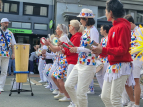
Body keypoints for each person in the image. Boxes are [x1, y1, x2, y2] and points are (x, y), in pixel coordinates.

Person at [92, 0, 133, 107]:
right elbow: (111, 49)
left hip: (121, 65)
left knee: (115, 99)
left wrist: (103, 50)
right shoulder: (114, 27)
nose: (105, 13)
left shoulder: (122, 26)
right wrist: (99, 50)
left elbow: (123, 49)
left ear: (111, 12)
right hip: (113, 65)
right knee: (105, 96)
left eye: (105, 11)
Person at [64, 8, 99, 107]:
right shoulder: (86, 30)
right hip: (80, 63)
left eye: (81, 19)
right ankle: (77, 104)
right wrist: (76, 49)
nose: (80, 21)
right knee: (68, 85)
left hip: (88, 64)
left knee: (81, 92)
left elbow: (94, 48)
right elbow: (84, 46)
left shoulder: (93, 31)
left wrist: (77, 49)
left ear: (86, 19)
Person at [58, 19, 83, 106]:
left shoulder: (77, 37)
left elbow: (72, 50)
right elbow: (69, 48)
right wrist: (64, 46)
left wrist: (64, 49)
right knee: (71, 84)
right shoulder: (75, 36)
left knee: (71, 84)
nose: (68, 27)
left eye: (69, 25)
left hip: (74, 61)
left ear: (72, 27)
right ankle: (75, 102)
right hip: (72, 61)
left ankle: (75, 102)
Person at [45, 24, 70, 102]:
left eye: (57, 29)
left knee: (59, 78)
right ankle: (62, 92)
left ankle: (67, 96)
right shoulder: (62, 37)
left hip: (63, 59)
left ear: (61, 30)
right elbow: (56, 50)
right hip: (60, 59)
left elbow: (58, 48)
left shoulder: (63, 37)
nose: (56, 30)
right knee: (54, 76)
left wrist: (49, 44)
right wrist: (50, 45)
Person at [124, 14, 142, 107]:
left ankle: (136, 103)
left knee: (135, 81)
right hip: (129, 59)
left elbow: (140, 47)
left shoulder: (140, 30)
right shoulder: (130, 31)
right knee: (127, 81)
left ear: (130, 23)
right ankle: (131, 101)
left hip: (136, 59)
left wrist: (129, 51)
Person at [0, 18, 16, 92]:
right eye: (5, 23)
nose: (7, 24)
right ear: (1, 23)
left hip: (6, 54)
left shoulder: (10, 33)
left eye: (7, 23)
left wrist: (13, 53)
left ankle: (1, 87)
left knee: (4, 71)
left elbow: (13, 45)